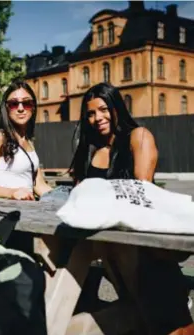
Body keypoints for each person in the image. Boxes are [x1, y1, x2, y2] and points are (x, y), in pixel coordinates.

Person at [70, 82, 193, 335]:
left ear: (116, 107)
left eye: (103, 109)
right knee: (139, 315)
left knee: (168, 322)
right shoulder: (93, 151)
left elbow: (142, 192)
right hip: (111, 250)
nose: (97, 118)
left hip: (144, 251)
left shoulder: (139, 137)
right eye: (90, 114)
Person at [0, 79, 52, 200]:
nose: (21, 108)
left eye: (26, 103)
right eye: (14, 104)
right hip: (7, 212)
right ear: (6, 108)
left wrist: (65, 196)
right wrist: (12, 193)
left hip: (29, 212)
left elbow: (39, 185)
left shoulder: (28, 141)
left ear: (33, 107)